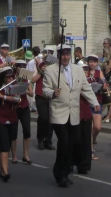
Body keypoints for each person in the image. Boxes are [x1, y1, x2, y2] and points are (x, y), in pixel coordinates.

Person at [43, 44, 100, 187]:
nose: (66, 57)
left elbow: (85, 88)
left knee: (72, 144)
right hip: (59, 113)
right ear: (58, 55)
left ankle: (65, 171)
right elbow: (45, 90)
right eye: (63, 54)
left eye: (68, 54)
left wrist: (94, 102)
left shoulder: (77, 69)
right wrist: (52, 93)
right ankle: (60, 173)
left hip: (74, 113)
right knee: (64, 142)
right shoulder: (51, 70)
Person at [0, 66, 21, 181]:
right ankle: (5, 172)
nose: (10, 79)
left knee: (8, 144)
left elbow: (18, 99)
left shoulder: (15, 87)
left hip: (12, 118)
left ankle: (2, 170)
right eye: (7, 77)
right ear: (3, 78)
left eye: (11, 77)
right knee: (4, 146)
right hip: (0, 118)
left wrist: (3, 96)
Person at [32, 48, 55, 151]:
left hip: (51, 94)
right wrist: (41, 72)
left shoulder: (55, 67)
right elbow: (32, 79)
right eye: (46, 55)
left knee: (51, 119)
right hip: (41, 95)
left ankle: (48, 141)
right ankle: (40, 139)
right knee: (43, 118)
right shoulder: (39, 65)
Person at [10, 58, 32, 165]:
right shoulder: (11, 77)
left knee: (27, 130)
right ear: (16, 67)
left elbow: (31, 93)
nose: (21, 69)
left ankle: (25, 155)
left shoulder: (26, 76)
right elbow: (8, 90)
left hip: (24, 105)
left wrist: (24, 89)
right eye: (19, 66)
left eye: (23, 66)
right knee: (13, 132)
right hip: (14, 106)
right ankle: (14, 156)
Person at [86, 54, 106, 158]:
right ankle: (91, 150)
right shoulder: (85, 72)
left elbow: (104, 83)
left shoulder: (99, 72)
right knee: (90, 127)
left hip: (98, 101)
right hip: (87, 101)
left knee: (97, 127)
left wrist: (103, 86)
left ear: (97, 63)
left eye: (94, 62)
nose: (92, 64)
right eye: (90, 62)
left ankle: (92, 139)